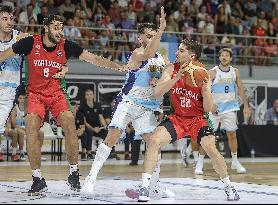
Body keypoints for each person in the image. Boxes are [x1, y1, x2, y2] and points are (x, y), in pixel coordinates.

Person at [0, 14, 125, 196]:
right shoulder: (29, 43)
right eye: (56, 27)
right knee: (31, 127)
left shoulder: (66, 45)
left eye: (61, 27)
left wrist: (118, 67)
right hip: (35, 94)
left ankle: (73, 172)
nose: (60, 31)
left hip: (57, 93)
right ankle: (37, 178)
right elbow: (3, 55)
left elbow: (94, 59)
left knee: (69, 123)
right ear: (46, 28)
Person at [125, 39, 240, 202]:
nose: (176, 53)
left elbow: (207, 108)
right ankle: (144, 187)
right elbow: (157, 92)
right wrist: (175, 77)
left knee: (210, 148)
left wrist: (206, 92)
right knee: (154, 141)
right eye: (178, 49)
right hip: (177, 117)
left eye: (181, 50)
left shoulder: (202, 72)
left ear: (191, 55)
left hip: (198, 118)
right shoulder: (171, 68)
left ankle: (229, 187)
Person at [82, 7, 174, 199]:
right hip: (129, 101)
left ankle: (155, 185)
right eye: (148, 36)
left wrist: (163, 81)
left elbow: (169, 73)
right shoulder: (137, 54)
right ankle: (90, 179)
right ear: (141, 39)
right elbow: (149, 53)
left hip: (147, 107)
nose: (151, 39)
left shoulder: (162, 58)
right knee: (112, 136)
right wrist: (161, 30)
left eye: (153, 35)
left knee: (154, 143)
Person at [193, 48, 251, 175]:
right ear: (219, 58)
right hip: (214, 109)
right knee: (207, 136)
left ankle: (235, 161)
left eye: (227, 56)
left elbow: (240, 88)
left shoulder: (235, 72)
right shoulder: (213, 72)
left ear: (231, 58)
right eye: (222, 55)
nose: (224, 57)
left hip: (229, 108)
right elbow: (204, 88)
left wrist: (246, 105)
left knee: (232, 134)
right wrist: (210, 104)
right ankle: (200, 163)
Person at [0, 5, 27, 137]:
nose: (9, 22)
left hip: (9, 91)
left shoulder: (20, 37)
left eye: (11, 18)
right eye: (5, 19)